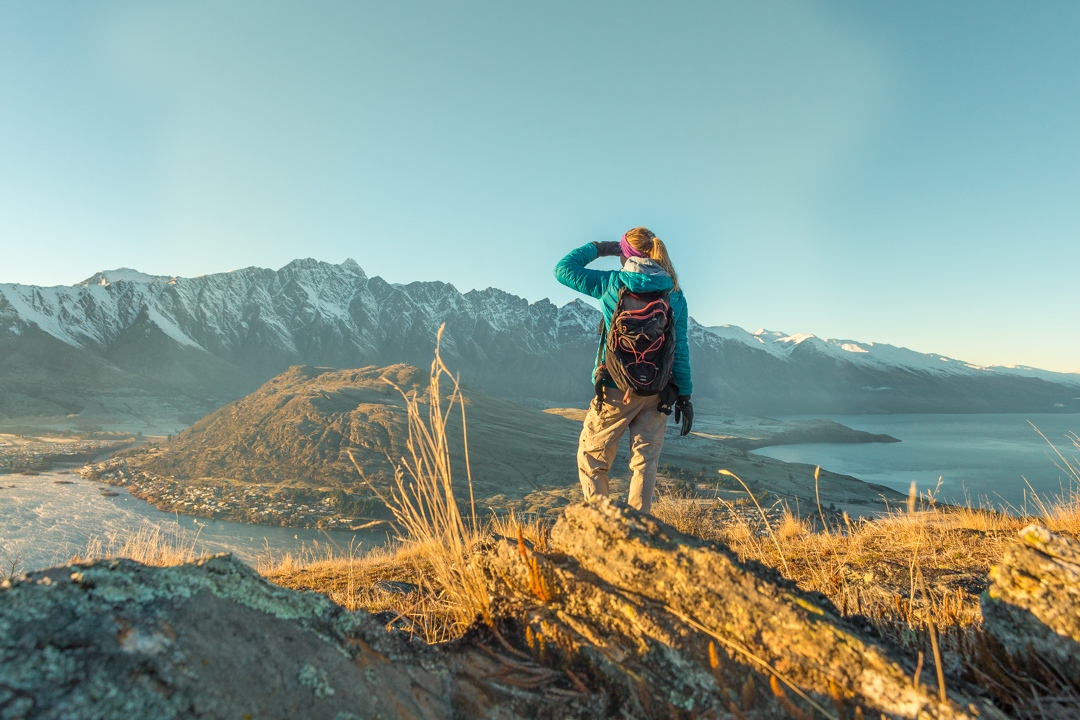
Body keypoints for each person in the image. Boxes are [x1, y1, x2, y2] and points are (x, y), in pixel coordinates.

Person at [553, 227, 693, 514]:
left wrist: (600, 247)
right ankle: (638, 531)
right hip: (656, 391)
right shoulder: (674, 294)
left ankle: (602, 525)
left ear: (625, 253)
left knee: (592, 459)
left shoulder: (611, 283)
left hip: (615, 388)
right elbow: (680, 350)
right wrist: (685, 396)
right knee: (645, 463)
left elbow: (562, 270)